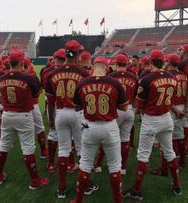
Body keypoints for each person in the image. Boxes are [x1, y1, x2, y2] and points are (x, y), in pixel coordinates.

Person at [123, 50, 182, 201]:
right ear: (164, 61)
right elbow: (172, 98)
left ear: (150, 62)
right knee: (169, 152)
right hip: (167, 117)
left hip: (151, 119)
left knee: (143, 155)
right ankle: (177, 185)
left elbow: (140, 106)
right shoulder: (172, 77)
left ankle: (136, 190)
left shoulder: (146, 79)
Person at [70, 56, 128, 203]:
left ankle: (78, 200)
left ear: (93, 66)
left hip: (90, 126)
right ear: (107, 67)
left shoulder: (82, 83)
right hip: (109, 126)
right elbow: (124, 106)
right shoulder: (114, 82)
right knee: (114, 166)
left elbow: (76, 106)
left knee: (85, 164)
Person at [0, 49, 49, 189]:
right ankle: (35, 181)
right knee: (28, 148)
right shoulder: (29, 78)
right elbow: (36, 94)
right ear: (21, 62)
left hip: (6, 114)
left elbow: (0, 96)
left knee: (4, 145)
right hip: (24, 114)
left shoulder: (1, 78)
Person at [45, 40, 90, 199]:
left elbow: (50, 102)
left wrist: (51, 120)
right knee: (82, 149)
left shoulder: (52, 73)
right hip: (78, 113)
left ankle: (62, 188)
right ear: (78, 53)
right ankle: (86, 184)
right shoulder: (84, 73)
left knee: (63, 150)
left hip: (60, 113)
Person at [94, 54, 138, 175]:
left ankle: (98, 165)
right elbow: (135, 96)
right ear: (126, 64)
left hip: (115, 109)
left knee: (106, 138)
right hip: (128, 109)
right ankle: (123, 167)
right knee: (125, 138)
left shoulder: (111, 76)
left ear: (116, 64)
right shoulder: (133, 77)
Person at [41, 49, 66, 172]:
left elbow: (48, 97)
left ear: (54, 58)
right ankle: (71, 164)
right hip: (69, 106)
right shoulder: (71, 70)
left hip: (54, 105)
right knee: (70, 136)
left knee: (53, 133)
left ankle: (51, 163)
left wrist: (50, 117)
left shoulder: (46, 71)